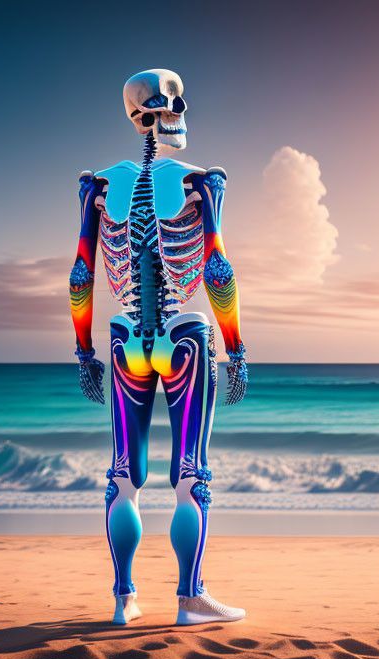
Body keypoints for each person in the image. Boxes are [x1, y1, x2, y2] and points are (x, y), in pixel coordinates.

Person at [68, 69, 249, 625]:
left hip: (125, 340)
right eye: (165, 106)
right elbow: (217, 269)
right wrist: (236, 349)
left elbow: (81, 274)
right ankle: (190, 599)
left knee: (123, 474)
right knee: (191, 473)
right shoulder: (202, 180)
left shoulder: (98, 185)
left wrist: (84, 352)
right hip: (183, 337)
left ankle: (124, 600)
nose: (172, 114)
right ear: (147, 115)